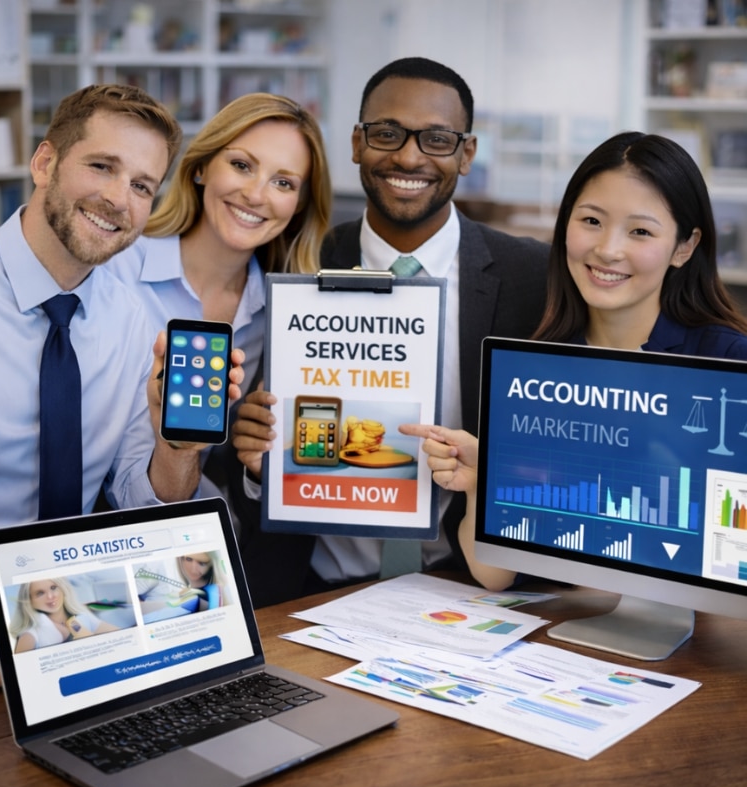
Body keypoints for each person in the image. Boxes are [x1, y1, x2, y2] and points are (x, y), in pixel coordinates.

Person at [0, 84, 244, 690]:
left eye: (141, 185)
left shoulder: (132, 321)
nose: (117, 199)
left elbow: (138, 500)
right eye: (102, 167)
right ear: (45, 163)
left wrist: (175, 447)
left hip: (74, 640)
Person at [231, 57, 550, 603]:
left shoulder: (534, 278)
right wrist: (257, 461)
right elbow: (237, 444)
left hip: (468, 589)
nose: (408, 155)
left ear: (466, 153)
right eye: (386, 133)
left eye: (437, 139)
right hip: (308, 590)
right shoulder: (292, 259)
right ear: (356, 143)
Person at [402, 130, 747, 590]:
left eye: (640, 231)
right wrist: (483, 482)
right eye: (591, 221)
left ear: (684, 247)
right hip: (570, 634)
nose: (607, 249)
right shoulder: (536, 366)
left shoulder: (728, 364)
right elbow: (496, 575)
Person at [105, 92, 331, 604]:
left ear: (298, 205)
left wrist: (260, 451)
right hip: (103, 546)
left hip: (205, 566)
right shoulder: (117, 269)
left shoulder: (286, 315)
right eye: (241, 165)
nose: (256, 193)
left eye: (283, 182)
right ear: (202, 167)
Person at [9, 578, 119, 653]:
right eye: (40, 593)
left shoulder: (83, 617)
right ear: (30, 601)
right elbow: (21, 673)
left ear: (63, 589)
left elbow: (119, 636)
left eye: (53, 588)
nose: (50, 596)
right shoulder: (30, 635)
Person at [134, 551, 233, 619]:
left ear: (212, 565)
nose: (193, 569)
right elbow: (128, 600)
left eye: (202, 563)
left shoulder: (219, 588)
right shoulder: (158, 567)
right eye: (188, 559)